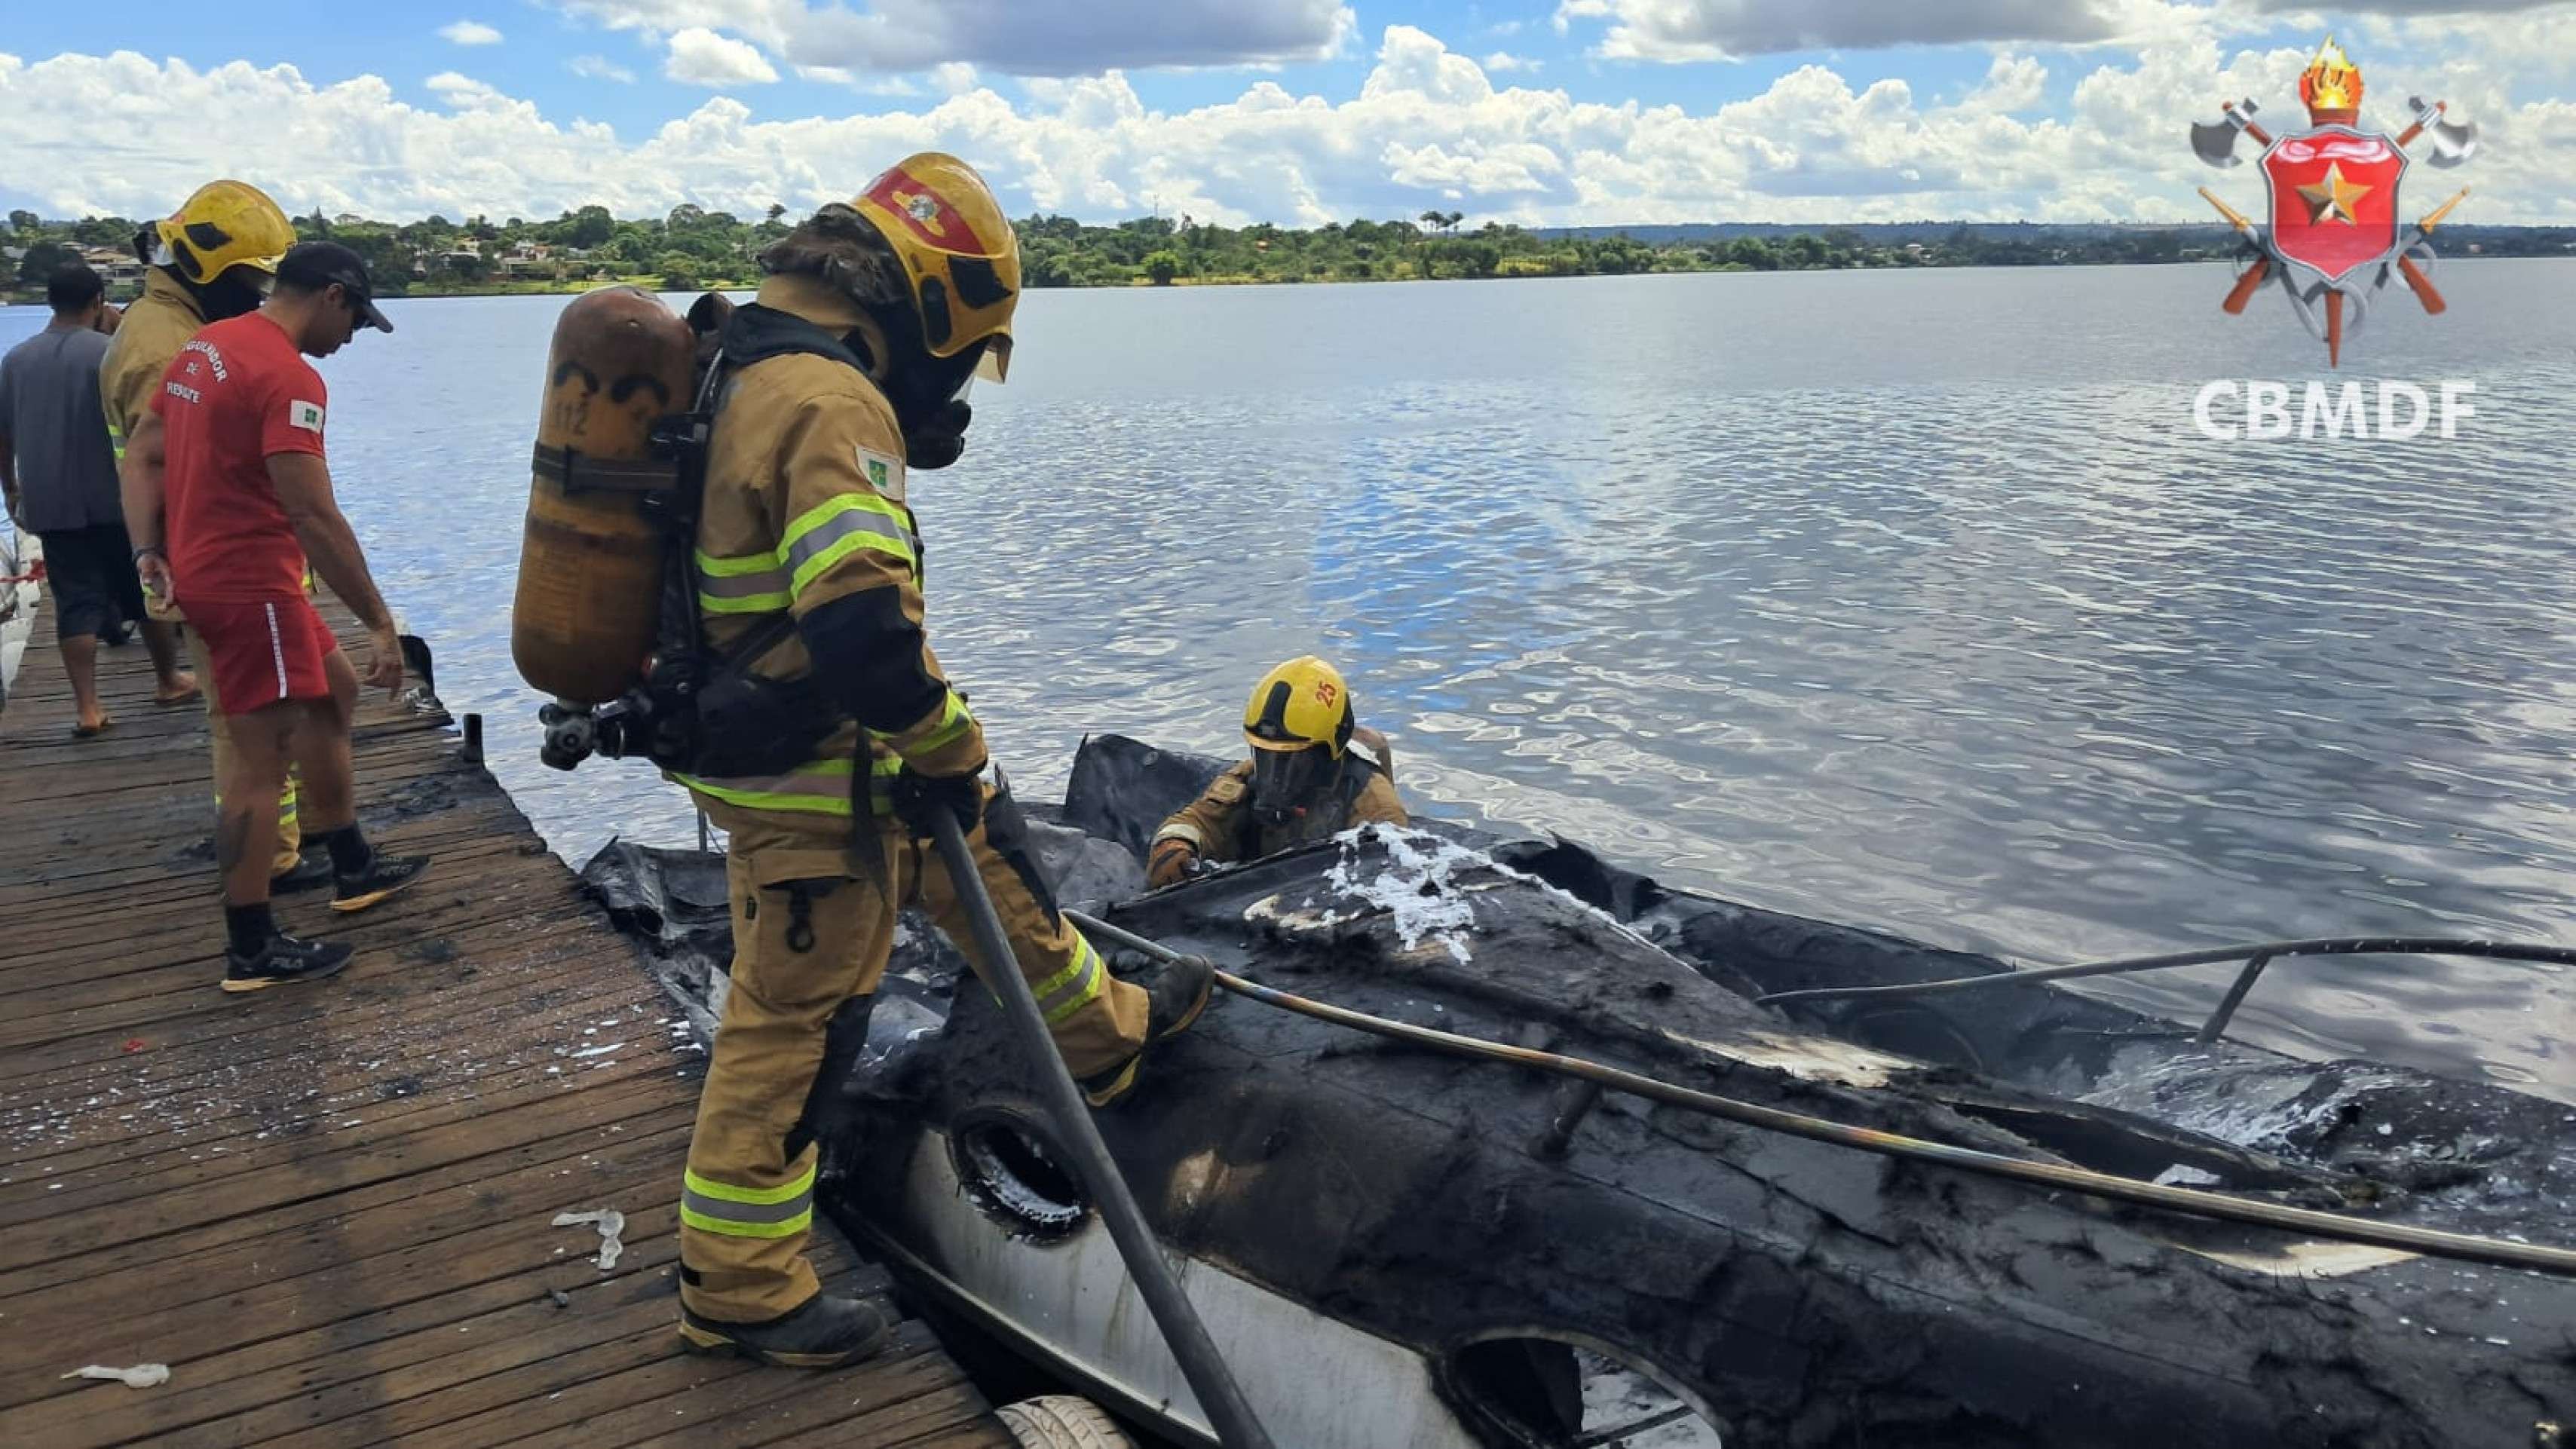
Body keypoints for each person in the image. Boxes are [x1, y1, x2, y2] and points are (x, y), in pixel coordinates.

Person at [663, 156, 1211, 1371]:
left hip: (791, 739)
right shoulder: (829, 397)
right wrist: (949, 741)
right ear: (931, 306)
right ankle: (740, 1287)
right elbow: (860, 627)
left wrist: (954, 764)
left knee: (988, 863)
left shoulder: (736, 360)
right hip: (814, 771)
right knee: (793, 1027)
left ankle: (1104, 1038)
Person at [119, 240, 427, 991]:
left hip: (213, 572)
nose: (352, 335)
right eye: (356, 317)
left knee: (336, 691)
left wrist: (146, 549)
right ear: (330, 294)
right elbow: (312, 513)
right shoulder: (289, 375)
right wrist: (381, 620)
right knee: (260, 766)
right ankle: (250, 944)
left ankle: (350, 860)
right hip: (250, 584)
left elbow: (145, 452)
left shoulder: (206, 347)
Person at [99, 179, 328, 890]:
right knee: (246, 729)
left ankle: (293, 839)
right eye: (249, 281)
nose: (259, 297)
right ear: (209, 271)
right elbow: (163, 460)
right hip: (217, 564)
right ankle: (272, 865)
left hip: (201, 557)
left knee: (276, 712)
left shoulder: (154, 327)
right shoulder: (166, 347)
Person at [0, 263, 196, 734]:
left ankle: (88, 709)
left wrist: (11, 489)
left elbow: (3, 437)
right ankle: (168, 679)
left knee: (74, 602)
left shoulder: (15, 360)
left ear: (50, 301)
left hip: (50, 500)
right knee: (143, 587)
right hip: (113, 496)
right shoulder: (109, 353)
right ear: (98, 299)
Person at [1147, 655, 1410, 888]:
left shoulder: (1374, 803)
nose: (1273, 773)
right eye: (1266, 755)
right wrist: (1174, 846)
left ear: (1329, 749)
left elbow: (1389, 880)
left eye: (1292, 758)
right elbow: (1200, 819)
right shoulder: (1249, 777)